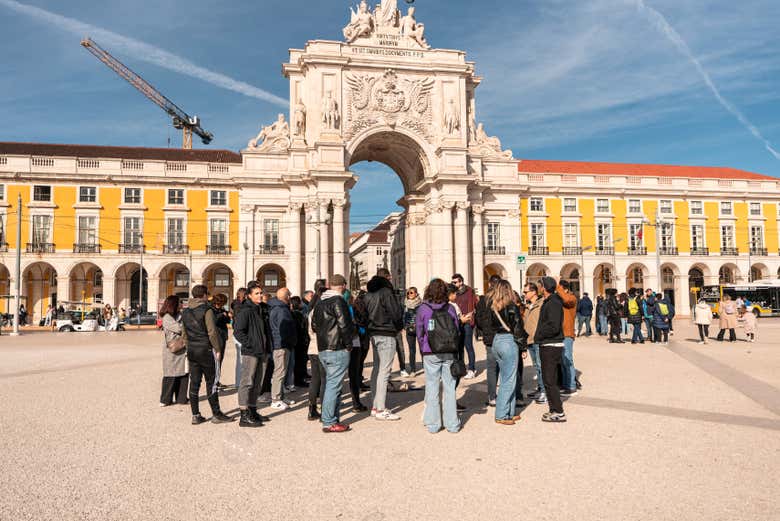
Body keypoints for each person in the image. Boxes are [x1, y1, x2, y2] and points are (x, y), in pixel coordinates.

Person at [181, 284, 233, 425]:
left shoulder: (185, 312)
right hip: (206, 350)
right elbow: (212, 332)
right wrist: (217, 349)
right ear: (204, 295)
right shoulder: (206, 310)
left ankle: (195, 415)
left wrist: (188, 347)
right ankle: (216, 414)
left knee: (195, 382)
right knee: (212, 382)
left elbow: (184, 333)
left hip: (192, 350)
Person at [415, 278, 461, 434]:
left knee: (432, 386)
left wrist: (423, 347)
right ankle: (452, 424)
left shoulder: (423, 309)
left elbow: (419, 331)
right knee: (449, 388)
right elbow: (456, 329)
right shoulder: (450, 308)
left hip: (430, 351)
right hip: (448, 350)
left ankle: (434, 424)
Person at [311, 274, 355, 433]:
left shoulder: (320, 303)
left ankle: (331, 417)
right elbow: (344, 324)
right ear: (343, 285)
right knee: (333, 386)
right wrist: (349, 344)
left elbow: (314, 325)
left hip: (323, 348)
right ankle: (329, 421)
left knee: (331, 383)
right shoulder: (338, 301)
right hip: (337, 348)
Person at [483, 280, 527, 425]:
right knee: (509, 380)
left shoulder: (492, 306)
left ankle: (509, 411)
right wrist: (523, 347)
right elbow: (518, 328)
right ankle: (502, 414)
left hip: (497, 340)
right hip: (509, 341)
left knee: (506, 377)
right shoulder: (512, 306)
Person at [364, 268, 404, 421]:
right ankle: (381, 408)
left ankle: (375, 406)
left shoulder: (368, 295)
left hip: (373, 333)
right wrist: (399, 326)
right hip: (387, 332)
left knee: (377, 369)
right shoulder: (386, 293)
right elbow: (395, 313)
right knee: (384, 371)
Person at [233, 282, 269, 428]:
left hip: (262, 350)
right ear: (249, 295)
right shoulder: (245, 310)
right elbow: (238, 331)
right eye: (257, 293)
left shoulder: (260, 309)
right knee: (247, 382)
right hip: (251, 351)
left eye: (261, 293)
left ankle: (253, 409)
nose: (260, 295)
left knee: (257, 382)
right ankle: (244, 414)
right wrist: (250, 344)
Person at [536, 277, 566, 423]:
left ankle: (558, 411)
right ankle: (553, 408)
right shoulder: (550, 301)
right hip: (547, 344)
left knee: (550, 380)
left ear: (545, 287)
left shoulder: (553, 302)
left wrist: (540, 334)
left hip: (551, 344)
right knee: (548, 380)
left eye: (540, 286)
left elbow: (554, 326)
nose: (539, 288)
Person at [475, 274, 502, 407]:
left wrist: (485, 329)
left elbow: (478, 319)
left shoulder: (483, 300)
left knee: (491, 368)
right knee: (506, 367)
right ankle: (509, 396)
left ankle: (492, 397)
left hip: (490, 338)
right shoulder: (505, 298)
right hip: (503, 336)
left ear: (490, 284)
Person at [268, 287, 297, 410]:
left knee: (282, 371)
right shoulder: (281, 310)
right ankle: (276, 399)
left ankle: (281, 396)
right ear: (287, 297)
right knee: (279, 372)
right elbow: (283, 328)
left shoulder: (278, 308)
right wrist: (288, 341)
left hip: (281, 343)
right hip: (281, 344)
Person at [159, 295, 188, 407]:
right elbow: (179, 328)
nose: (182, 304)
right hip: (172, 350)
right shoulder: (167, 317)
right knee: (170, 375)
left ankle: (182, 398)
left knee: (184, 373)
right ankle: (165, 399)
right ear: (174, 304)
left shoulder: (180, 315)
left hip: (183, 348)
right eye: (180, 302)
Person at [306, 285, 328, 420]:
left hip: (312, 347)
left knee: (315, 379)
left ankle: (312, 408)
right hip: (322, 347)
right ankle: (325, 408)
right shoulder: (323, 310)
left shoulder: (311, 311)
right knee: (324, 379)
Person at [345, 289, 368, 412]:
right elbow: (359, 326)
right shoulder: (350, 309)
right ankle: (356, 403)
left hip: (337, 344)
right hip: (353, 342)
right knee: (353, 372)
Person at [522, 282, 546, 404]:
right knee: (537, 366)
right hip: (530, 340)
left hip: (538, 340)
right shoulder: (527, 306)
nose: (524, 294)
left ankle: (545, 392)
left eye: (526, 292)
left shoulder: (542, 304)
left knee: (542, 366)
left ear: (534, 292)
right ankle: (540, 388)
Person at [452, 273, 479, 379]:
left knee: (468, 346)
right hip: (458, 321)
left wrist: (471, 314)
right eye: (452, 282)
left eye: (455, 282)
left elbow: (474, 304)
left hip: (468, 321)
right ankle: (461, 368)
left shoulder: (469, 291)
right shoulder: (453, 293)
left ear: (461, 282)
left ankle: (472, 369)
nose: (453, 284)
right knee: (459, 347)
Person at [557, 281, 578, 395]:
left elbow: (567, 300)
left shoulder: (571, 298)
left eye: (559, 289)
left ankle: (571, 386)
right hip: (560, 334)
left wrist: (557, 287)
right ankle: (565, 384)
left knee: (567, 360)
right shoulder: (561, 299)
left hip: (567, 333)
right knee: (562, 361)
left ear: (564, 289)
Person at [290, 296, 311, 387]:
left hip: (299, 340)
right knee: (300, 362)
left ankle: (301, 377)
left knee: (301, 361)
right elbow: (301, 328)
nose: (301, 304)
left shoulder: (296, 314)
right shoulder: (297, 314)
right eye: (300, 302)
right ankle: (299, 380)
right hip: (300, 341)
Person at [211, 293, 230, 390]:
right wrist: (221, 315)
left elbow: (227, 321)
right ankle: (213, 381)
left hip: (222, 336)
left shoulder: (221, 310)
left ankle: (217, 380)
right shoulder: (211, 310)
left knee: (220, 359)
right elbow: (213, 321)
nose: (222, 305)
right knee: (215, 360)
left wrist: (226, 315)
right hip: (216, 337)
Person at [403, 287, 422, 375]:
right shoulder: (405, 304)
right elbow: (403, 316)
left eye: (411, 293)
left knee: (422, 349)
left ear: (416, 294)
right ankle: (413, 369)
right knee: (411, 350)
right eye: (408, 293)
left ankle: (426, 366)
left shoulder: (421, 304)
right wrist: (404, 326)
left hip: (419, 329)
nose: (409, 294)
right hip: (409, 329)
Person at [231, 288, 247, 388]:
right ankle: (241, 382)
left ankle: (238, 382)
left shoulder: (235, 304)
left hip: (236, 333)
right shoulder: (240, 306)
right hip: (241, 334)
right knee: (243, 359)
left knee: (239, 359)